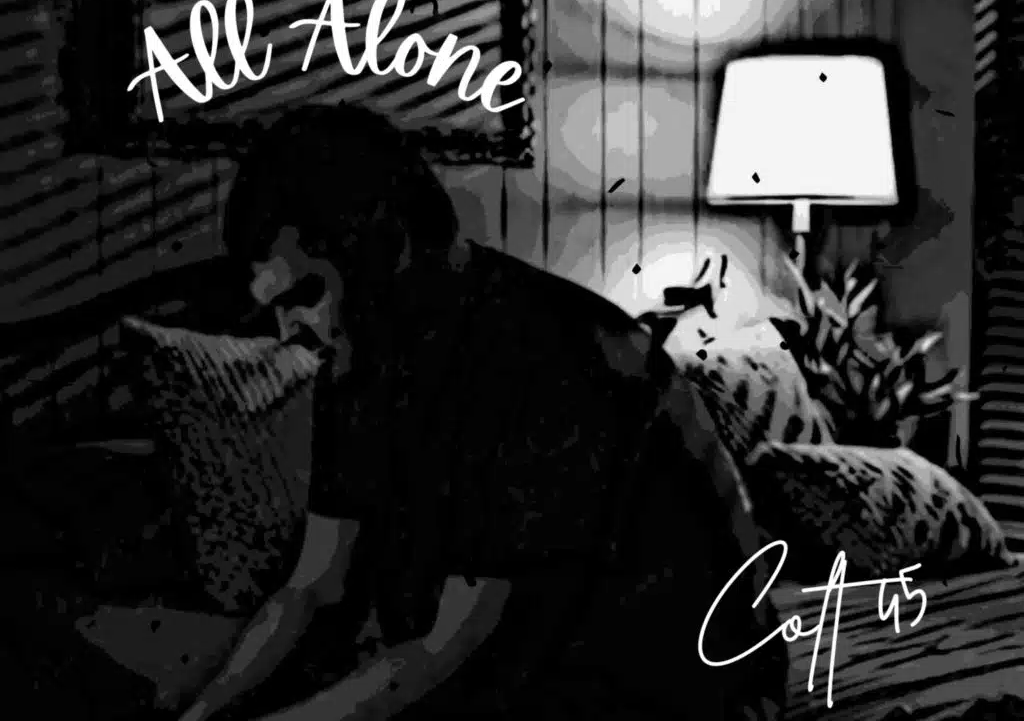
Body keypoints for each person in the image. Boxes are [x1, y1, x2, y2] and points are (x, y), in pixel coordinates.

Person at [173, 102, 788, 721]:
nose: (289, 331)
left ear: (385, 250)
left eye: (306, 294)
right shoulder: (359, 351)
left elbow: (457, 646)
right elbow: (314, 585)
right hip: (553, 668)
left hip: (693, 684)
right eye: (277, 307)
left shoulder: (546, 353)